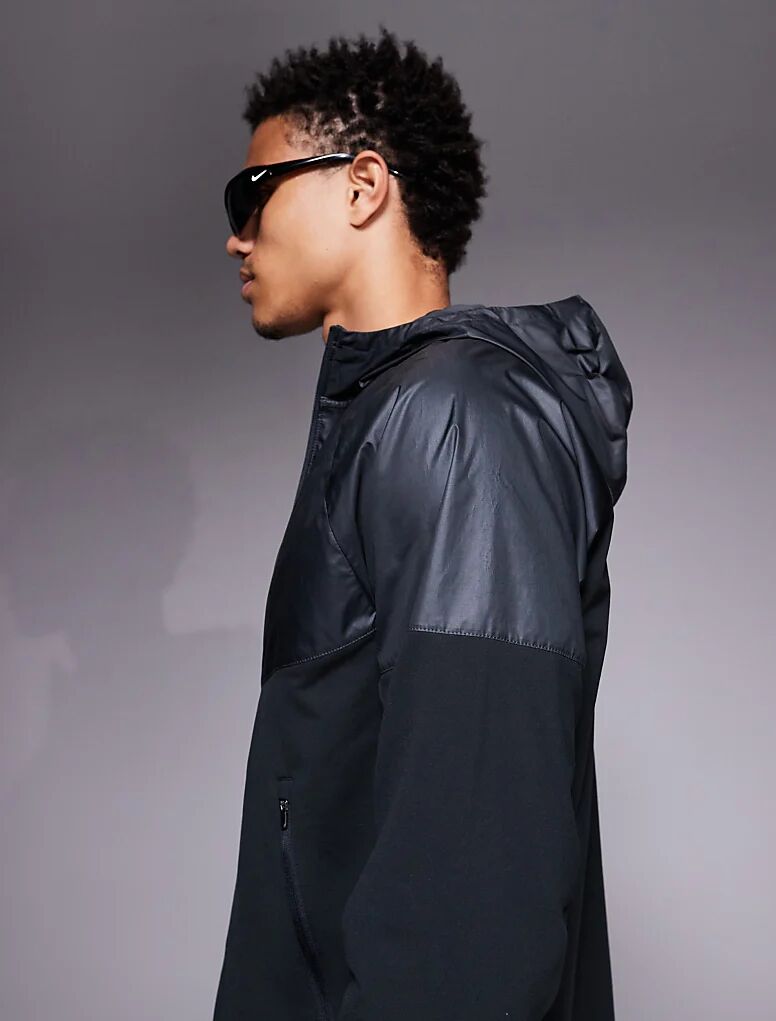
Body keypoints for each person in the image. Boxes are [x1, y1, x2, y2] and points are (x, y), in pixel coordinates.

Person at [215, 26, 633, 1021]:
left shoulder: (456, 421)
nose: (236, 235)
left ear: (363, 185)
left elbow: (473, 879)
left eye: (251, 193)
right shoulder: (398, 416)